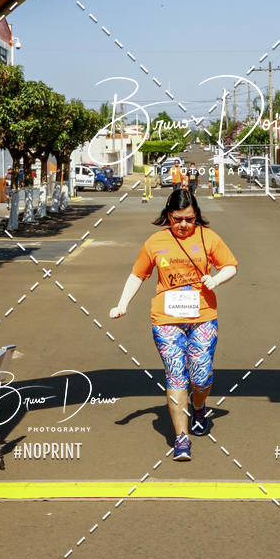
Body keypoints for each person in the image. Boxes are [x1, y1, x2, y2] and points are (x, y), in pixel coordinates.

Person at [109, 189, 237, 461]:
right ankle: (181, 438)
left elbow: (230, 266)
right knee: (176, 374)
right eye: (177, 218)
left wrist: (216, 280)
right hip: (166, 320)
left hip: (202, 316)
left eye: (189, 219)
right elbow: (137, 275)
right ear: (168, 215)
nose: (183, 224)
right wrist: (123, 304)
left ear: (196, 216)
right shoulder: (155, 241)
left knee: (201, 377)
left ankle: (199, 407)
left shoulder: (208, 237)